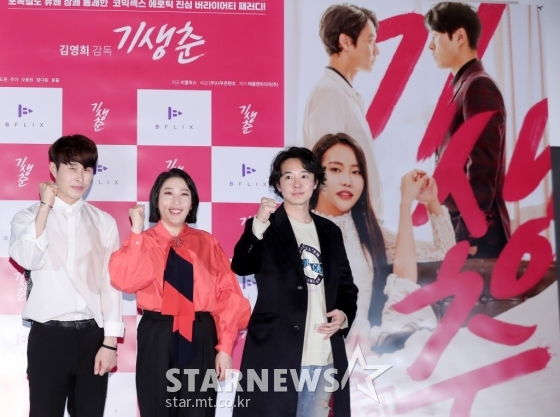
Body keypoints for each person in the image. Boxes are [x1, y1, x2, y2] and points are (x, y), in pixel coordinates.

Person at [109, 168, 250, 417]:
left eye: (184, 194)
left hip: (200, 335)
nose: (176, 201)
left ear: (192, 202)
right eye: (168, 193)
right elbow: (126, 281)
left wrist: (225, 348)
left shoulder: (207, 242)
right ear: (156, 200)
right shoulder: (142, 241)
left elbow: (229, 296)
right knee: (156, 409)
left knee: (198, 411)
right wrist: (137, 232)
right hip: (158, 333)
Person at [231, 147, 357, 417]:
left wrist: (343, 315)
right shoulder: (264, 227)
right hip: (276, 353)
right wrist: (259, 224)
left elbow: (347, 288)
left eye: (304, 175)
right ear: (278, 185)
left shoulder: (330, 232)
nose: (297, 183)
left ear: (315, 181)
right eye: (288, 177)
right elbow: (241, 265)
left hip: (323, 355)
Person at [9, 134, 124, 417]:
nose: (80, 177)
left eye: (87, 169)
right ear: (53, 169)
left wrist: (109, 342)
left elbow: (110, 285)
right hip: (48, 338)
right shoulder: (27, 217)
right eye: (72, 168)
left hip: (93, 338)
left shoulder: (104, 222)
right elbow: (27, 258)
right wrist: (45, 207)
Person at [310, 133, 455, 353]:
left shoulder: (368, 232)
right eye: (335, 169)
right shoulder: (296, 231)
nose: (347, 180)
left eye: (356, 172)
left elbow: (444, 251)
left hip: (364, 349)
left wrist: (421, 202)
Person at [425, 1, 511, 258]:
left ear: (460, 36)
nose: (430, 46)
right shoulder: (464, 85)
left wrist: (467, 236)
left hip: (477, 239)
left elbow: (482, 168)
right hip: (464, 231)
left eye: (435, 36)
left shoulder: (478, 86)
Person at [303, 3, 384, 218]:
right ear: (346, 42)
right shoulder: (330, 94)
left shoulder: (343, 93)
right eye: (370, 40)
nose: (376, 50)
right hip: (344, 226)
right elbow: (329, 174)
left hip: (360, 224)